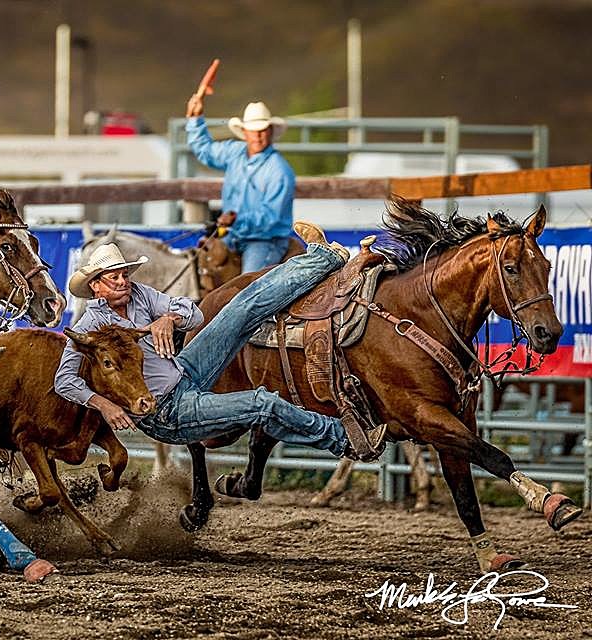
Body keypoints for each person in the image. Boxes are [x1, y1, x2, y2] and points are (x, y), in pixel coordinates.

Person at [54, 224, 386, 461]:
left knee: (241, 306)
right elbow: (64, 381)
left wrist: (169, 319)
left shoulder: (140, 295)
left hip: (184, 371)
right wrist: (106, 405)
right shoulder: (90, 327)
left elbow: (194, 315)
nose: (124, 281)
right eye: (114, 277)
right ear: (95, 286)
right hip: (167, 412)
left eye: (125, 274)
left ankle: (322, 259)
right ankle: (345, 439)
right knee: (262, 403)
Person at [185, 96, 296, 273]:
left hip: (265, 241)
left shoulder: (279, 170)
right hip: (234, 235)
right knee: (199, 270)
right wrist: (195, 118)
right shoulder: (235, 152)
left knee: (249, 286)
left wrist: (237, 218)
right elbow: (204, 150)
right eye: (253, 130)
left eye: (262, 130)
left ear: (270, 131)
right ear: (245, 132)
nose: (258, 136)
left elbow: (270, 218)